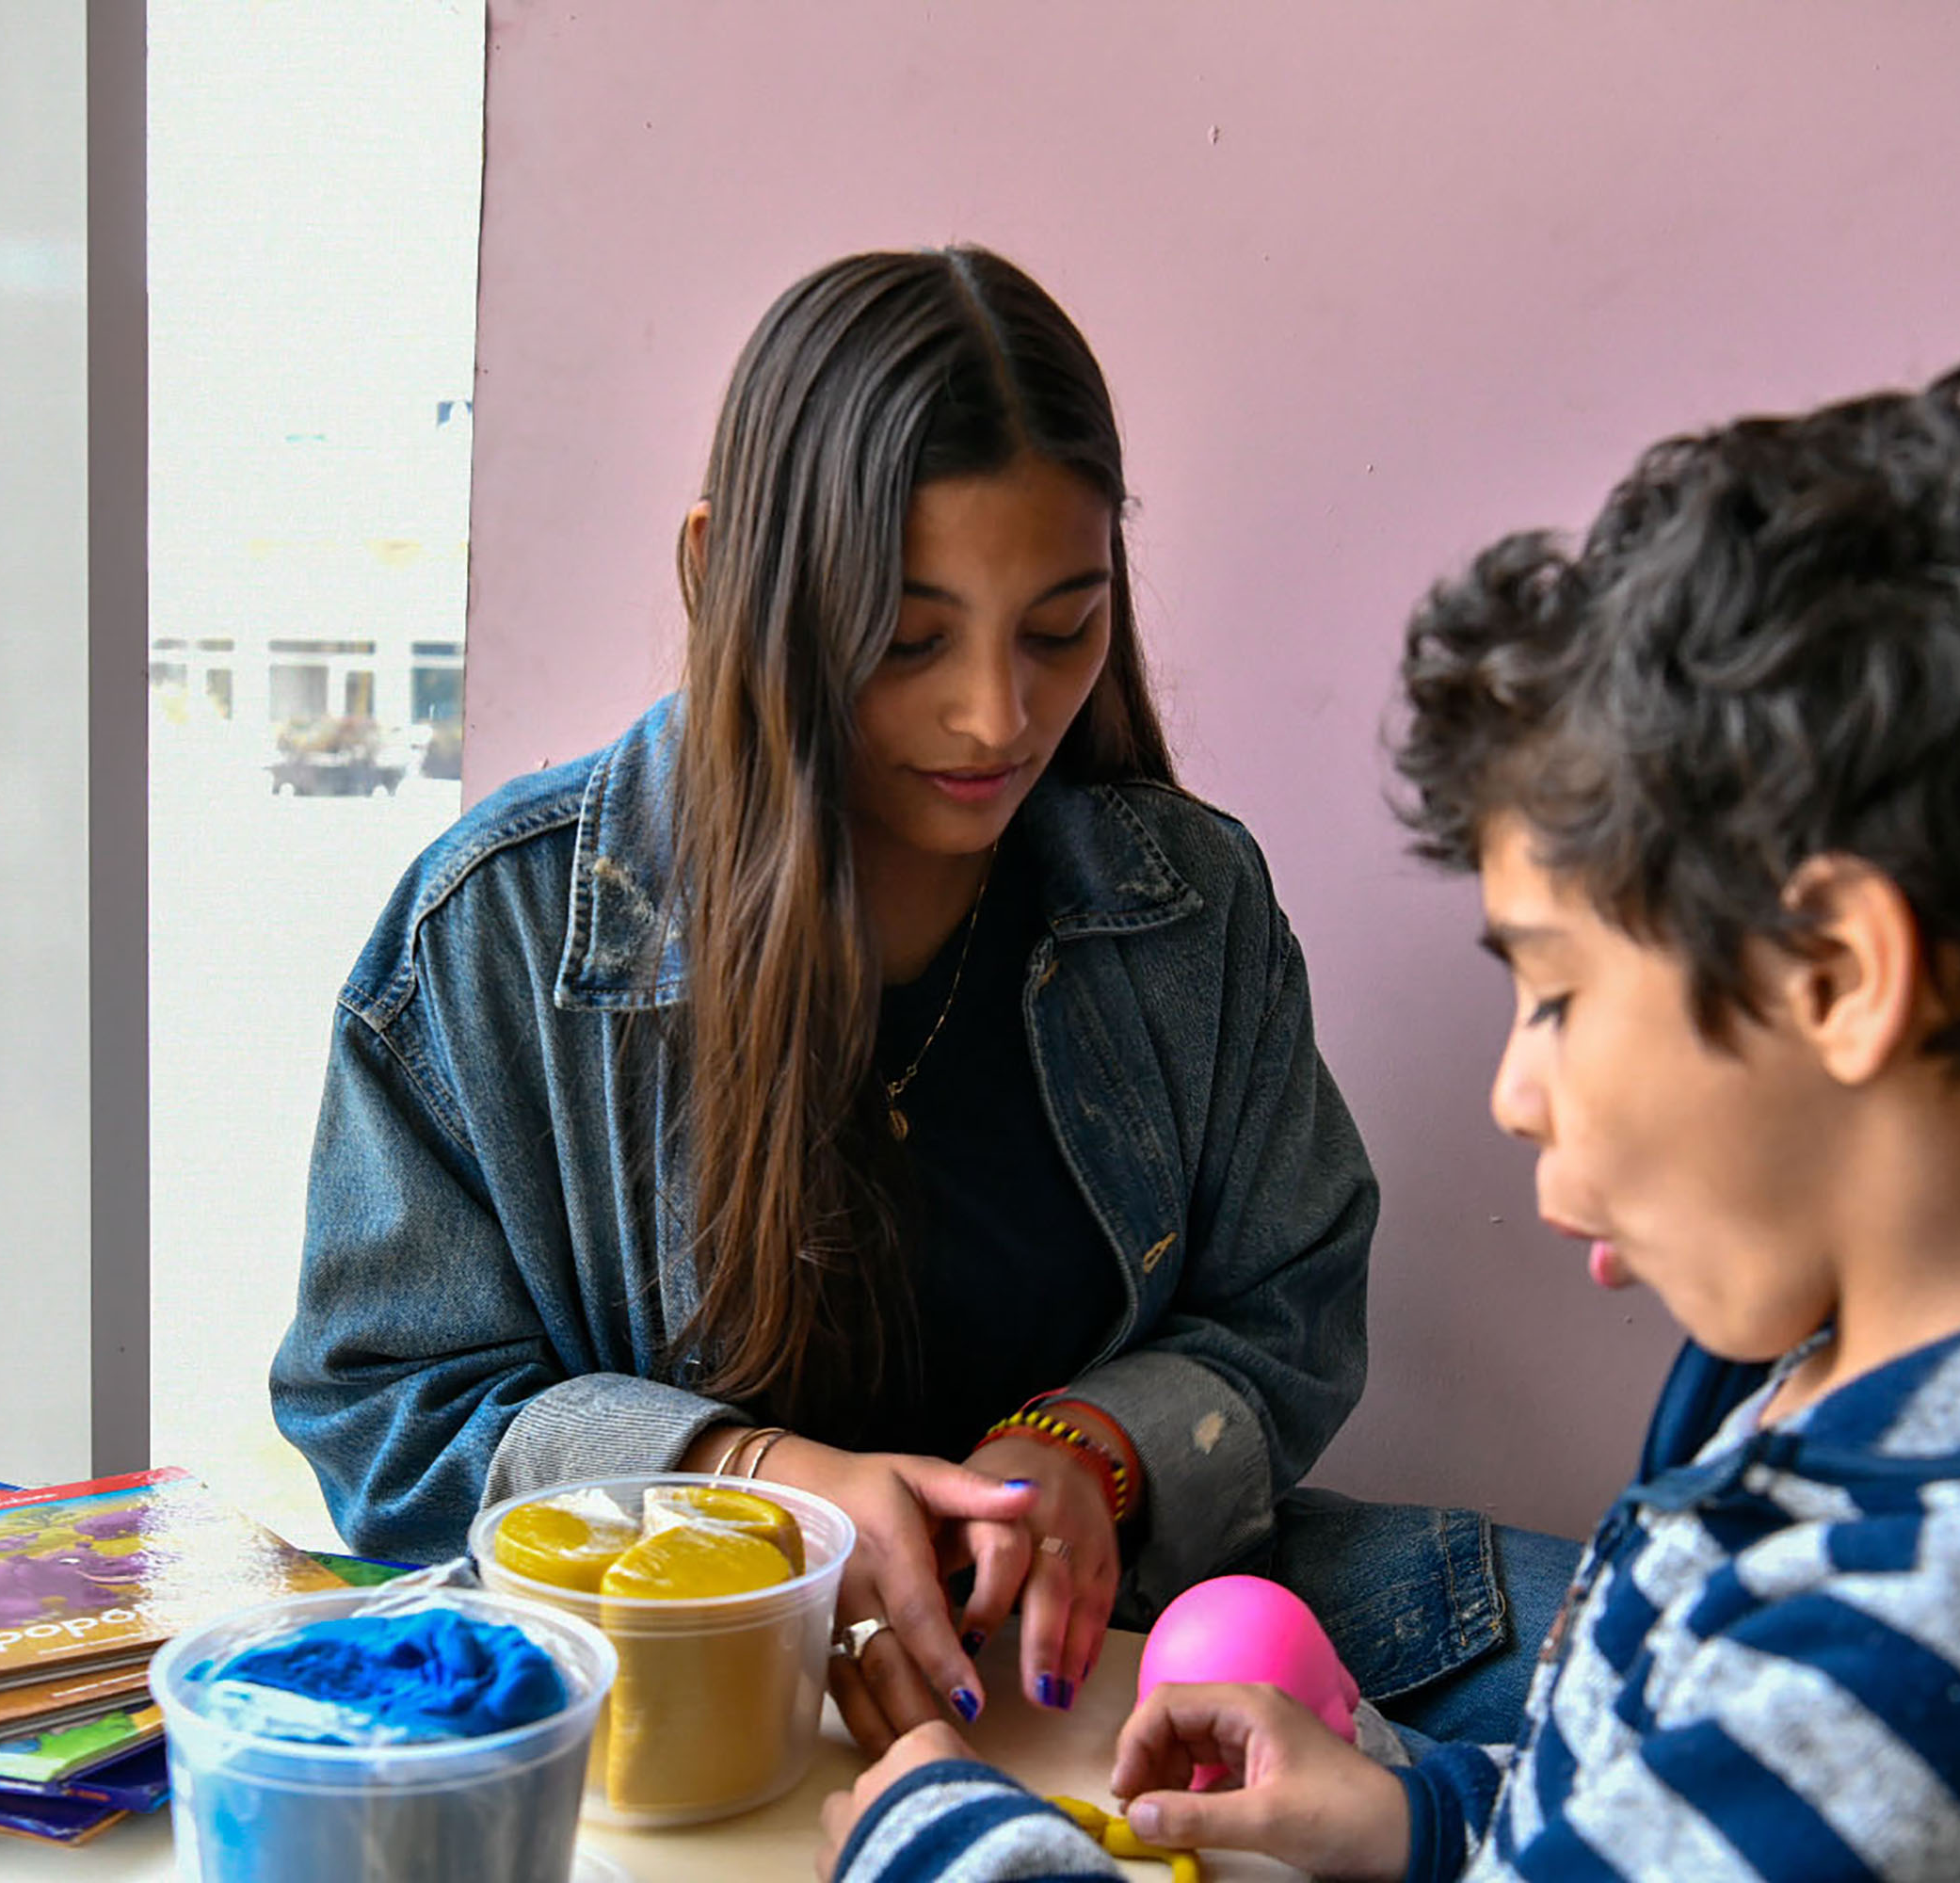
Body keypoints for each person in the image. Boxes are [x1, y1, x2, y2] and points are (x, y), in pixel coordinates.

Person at [816, 355, 1960, 1881]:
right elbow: (1695, 1798)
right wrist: (1433, 1821)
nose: (1515, 1088)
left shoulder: (1945, 1671)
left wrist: (945, 1846)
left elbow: (1825, 1778)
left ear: (1841, 974)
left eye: (1559, 993)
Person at [271, 245, 1576, 1755]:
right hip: (687, 1692)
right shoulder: (495, 941)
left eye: (1060, 626)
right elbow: (386, 1417)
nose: (996, 715)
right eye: (907, 639)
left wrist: (1090, 1454)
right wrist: (748, 1482)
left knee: (1700, 1687)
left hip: (1127, 1646)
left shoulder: (1186, 906)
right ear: (720, 575)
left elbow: (1286, 1306)